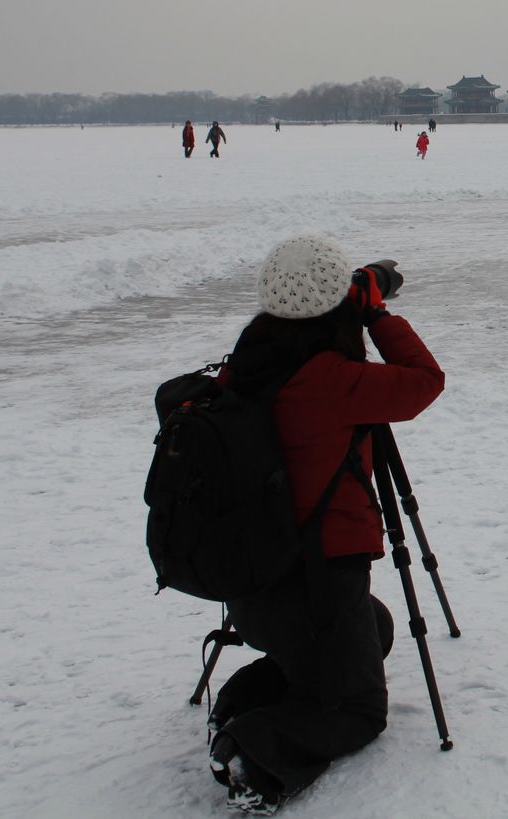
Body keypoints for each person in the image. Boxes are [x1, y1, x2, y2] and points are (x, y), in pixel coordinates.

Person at [206, 235, 445, 814]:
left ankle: (246, 698)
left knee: (377, 628)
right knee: (360, 711)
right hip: (317, 581)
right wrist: (377, 312)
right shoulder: (332, 380)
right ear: (336, 300)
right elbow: (423, 381)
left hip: (253, 584)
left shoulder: (246, 364)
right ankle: (254, 747)